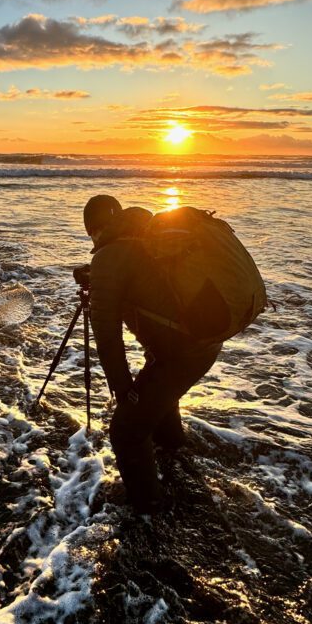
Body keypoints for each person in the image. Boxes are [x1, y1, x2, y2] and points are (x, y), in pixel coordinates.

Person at [83, 194, 222, 513]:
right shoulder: (148, 236)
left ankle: (149, 512)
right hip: (205, 340)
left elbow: (107, 338)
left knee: (126, 430)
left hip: (181, 354)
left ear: (94, 228)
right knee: (158, 386)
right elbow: (147, 282)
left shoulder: (109, 256)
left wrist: (123, 392)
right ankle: (174, 449)